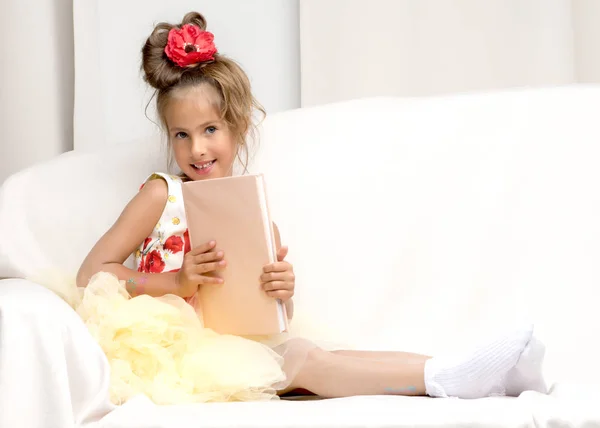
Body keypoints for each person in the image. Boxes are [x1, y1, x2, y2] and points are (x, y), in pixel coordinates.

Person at [72, 11, 548, 405]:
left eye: (210, 130)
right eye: (182, 134)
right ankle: (447, 380)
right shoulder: (161, 194)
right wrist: (175, 282)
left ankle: (458, 371)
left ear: (236, 128)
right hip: (168, 354)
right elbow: (90, 272)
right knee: (304, 362)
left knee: (311, 351)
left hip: (227, 344)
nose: (197, 148)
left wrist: (281, 292)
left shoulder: (246, 211)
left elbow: (266, 313)